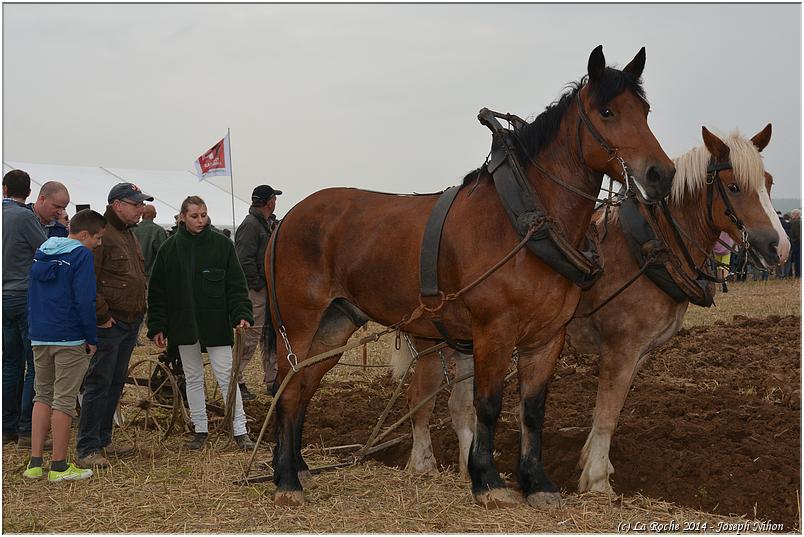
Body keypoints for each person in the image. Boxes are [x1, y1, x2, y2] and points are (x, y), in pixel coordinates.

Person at [147, 196, 256, 450]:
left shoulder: (222, 246)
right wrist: (158, 326)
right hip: (183, 325)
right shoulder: (169, 249)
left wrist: (241, 312)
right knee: (193, 377)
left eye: (203, 215)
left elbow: (236, 285)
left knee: (227, 376)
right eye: (195, 216)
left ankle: (240, 430)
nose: (200, 220)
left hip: (215, 324)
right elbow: (157, 292)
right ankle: (200, 429)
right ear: (183, 217)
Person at [23, 210, 107, 482]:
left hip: (40, 334)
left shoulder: (43, 249)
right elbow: (84, 299)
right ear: (84, 235)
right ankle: (59, 466)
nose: (99, 243)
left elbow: (33, 292)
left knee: (41, 395)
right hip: (69, 336)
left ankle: (35, 463)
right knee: (64, 400)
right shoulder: (81, 255)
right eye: (97, 237)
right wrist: (91, 337)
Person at [76, 183, 151, 469]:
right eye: (136, 204)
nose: (140, 209)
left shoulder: (129, 235)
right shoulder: (102, 235)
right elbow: (89, 281)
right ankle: (87, 447)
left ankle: (103, 440)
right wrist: (101, 315)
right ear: (118, 205)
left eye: (142, 204)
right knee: (99, 383)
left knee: (116, 382)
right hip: (111, 322)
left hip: (130, 321)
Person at [2, 170, 47, 446]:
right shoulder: (25, 217)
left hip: (3, 297)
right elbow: (44, 250)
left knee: (10, 364)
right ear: (29, 193)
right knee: (34, 365)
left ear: (4, 188)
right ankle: (26, 428)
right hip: (22, 295)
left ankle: (7, 427)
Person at [234, 185, 281, 400]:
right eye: (274, 198)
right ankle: (236, 381)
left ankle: (272, 380)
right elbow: (243, 259)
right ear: (269, 201)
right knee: (251, 336)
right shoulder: (251, 225)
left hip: (266, 289)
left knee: (269, 336)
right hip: (256, 291)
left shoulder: (263, 223)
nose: (275, 202)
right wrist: (258, 284)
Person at [131, 204, 168, 278]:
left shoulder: (132, 229)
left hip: (134, 274)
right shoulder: (159, 231)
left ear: (142, 215)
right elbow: (164, 255)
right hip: (152, 276)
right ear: (154, 215)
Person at [790, 209, 801, 279]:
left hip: (796, 243)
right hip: (799, 243)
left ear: (796, 215)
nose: (791, 216)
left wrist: (793, 240)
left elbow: (795, 234)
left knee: (797, 260)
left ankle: (798, 274)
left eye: (792, 214)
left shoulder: (796, 222)